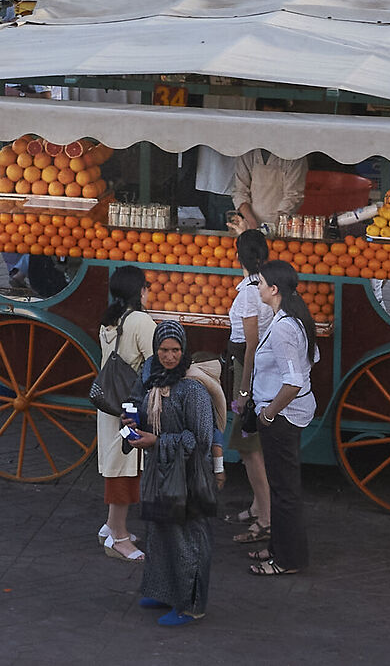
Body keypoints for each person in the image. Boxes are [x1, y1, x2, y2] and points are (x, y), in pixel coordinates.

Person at [134, 320, 218, 625]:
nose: (169, 356)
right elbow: (146, 415)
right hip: (161, 471)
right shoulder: (154, 381)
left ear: (184, 351)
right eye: (163, 350)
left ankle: (190, 605)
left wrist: (157, 441)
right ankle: (163, 591)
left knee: (187, 538)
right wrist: (133, 425)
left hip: (188, 475)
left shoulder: (192, 389)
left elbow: (202, 439)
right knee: (160, 532)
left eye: (175, 350)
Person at [245, 261, 316, 577]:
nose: (258, 288)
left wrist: (268, 414)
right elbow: (309, 362)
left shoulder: (284, 328)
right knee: (281, 488)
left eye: (260, 283)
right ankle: (279, 548)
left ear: (274, 289)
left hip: (282, 417)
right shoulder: (290, 320)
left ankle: (288, 560)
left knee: (285, 491)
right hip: (287, 413)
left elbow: (294, 381)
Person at [98, 264, 157, 563]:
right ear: (140, 290)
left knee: (119, 461)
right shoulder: (140, 321)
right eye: (146, 287)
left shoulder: (110, 320)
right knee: (124, 465)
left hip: (110, 404)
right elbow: (157, 361)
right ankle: (118, 538)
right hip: (130, 407)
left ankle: (111, 525)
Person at [225, 230, 275, 550]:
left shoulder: (248, 293)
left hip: (250, 368)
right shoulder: (266, 284)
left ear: (238, 257)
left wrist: (244, 388)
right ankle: (258, 506)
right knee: (251, 443)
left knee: (249, 446)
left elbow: (251, 342)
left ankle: (266, 517)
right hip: (258, 367)